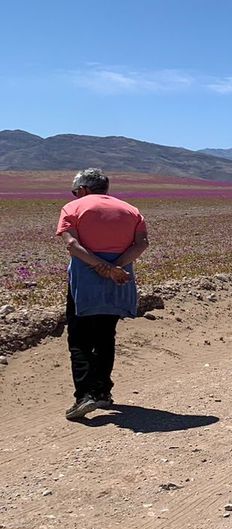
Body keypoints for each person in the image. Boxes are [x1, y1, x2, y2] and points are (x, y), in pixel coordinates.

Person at [56, 168, 150, 420]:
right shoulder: (131, 210)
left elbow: (72, 244)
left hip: (84, 283)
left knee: (80, 339)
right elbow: (141, 244)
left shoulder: (72, 209)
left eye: (76, 191)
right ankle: (103, 393)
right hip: (120, 282)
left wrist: (102, 268)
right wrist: (115, 267)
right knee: (106, 336)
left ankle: (84, 396)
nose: (75, 195)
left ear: (84, 189)